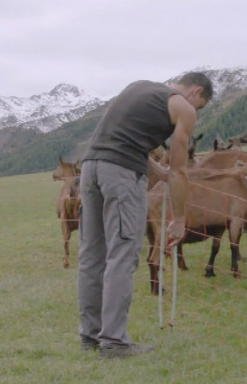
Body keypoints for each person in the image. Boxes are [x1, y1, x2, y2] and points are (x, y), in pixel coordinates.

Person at [76, 72, 213, 358]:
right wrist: (178, 220)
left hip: (90, 169)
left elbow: (123, 139)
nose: (195, 112)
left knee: (91, 254)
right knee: (122, 255)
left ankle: (90, 335)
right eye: (200, 106)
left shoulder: (138, 87)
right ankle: (113, 341)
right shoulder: (183, 107)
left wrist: (155, 170)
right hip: (121, 176)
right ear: (196, 92)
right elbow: (179, 170)